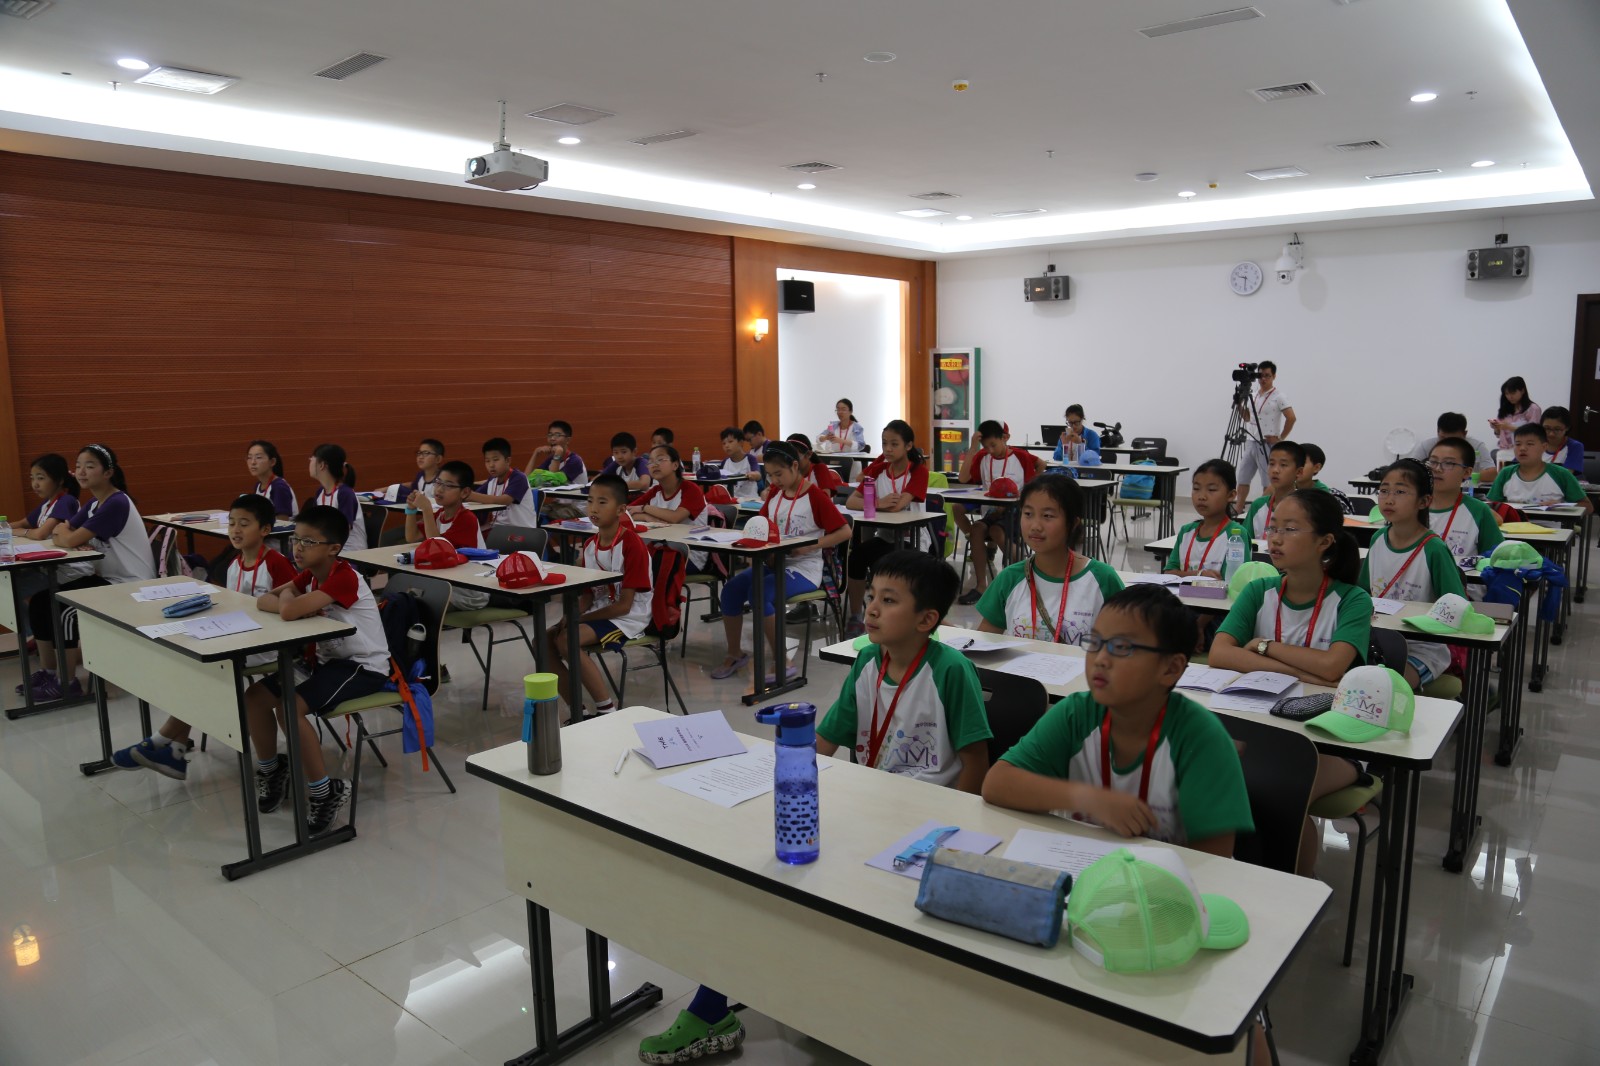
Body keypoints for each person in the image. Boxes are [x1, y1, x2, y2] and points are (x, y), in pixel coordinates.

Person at [643, 550, 991, 1066]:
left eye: (888, 600)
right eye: (871, 596)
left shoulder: (950, 671)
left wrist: (950, 835)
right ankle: (712, 1009)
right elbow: (823, 743)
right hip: (870, 815)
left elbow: (976, 763)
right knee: (761, 879)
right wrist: (767, 781)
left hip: (924, 833)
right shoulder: (869, 663)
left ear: (927, 620)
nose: (871, 608)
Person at [984, 583, 1252, 853]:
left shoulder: (1200, 737)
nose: (1100, 659)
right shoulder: (1077, 713)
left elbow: (1213, 861)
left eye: (1121, 647)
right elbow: (997, 783)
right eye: (1095, 642)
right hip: (1081, 864)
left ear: (1171, 668)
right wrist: (1089, 799)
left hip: (1164, 877)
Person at [1208, 488, 1370, 875]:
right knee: (1219, 779)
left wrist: (1266, 648)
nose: (1275, 538)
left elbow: (1333, 667)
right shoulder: (1258, 591)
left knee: (1280, 793)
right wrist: (1304, 672)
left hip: (1332, 740)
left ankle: (1295, 889)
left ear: (1324, 542)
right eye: (1273, 527)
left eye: (1290, 529)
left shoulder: (1352, 600)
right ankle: (1240, 879)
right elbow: (1220, 654)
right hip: (1262, 726)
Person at [109, 494, 298, 779]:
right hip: (241, 639)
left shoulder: (276, 563)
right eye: (232, 523)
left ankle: (161, 743)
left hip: (270, 646)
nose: (235, 530)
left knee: (207, 671)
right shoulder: (234, 564)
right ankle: (174, 749)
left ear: (265, 530)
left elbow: (291, 606)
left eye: (244, 523)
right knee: (191, 664)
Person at [246, 504, 392, 835]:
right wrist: (291, 600)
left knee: (289, 707)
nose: (298, 548)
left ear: (333, 549)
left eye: (308, 542)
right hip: (324, 662)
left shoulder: (344, 577)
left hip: (361, 666)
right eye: (296, 539)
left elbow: (286, 610)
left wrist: (291, 602)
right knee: (254, 698)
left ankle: (325, 792)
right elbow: (265, 601)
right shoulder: (311, 574)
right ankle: (272, 769)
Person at [26, 444, 156, 703]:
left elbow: (67, 537)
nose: (81, 472)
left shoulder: (117, 502)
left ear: (108, 472)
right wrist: (69, 536)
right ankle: (49, 672)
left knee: (65, 610)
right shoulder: (95, 503)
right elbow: (63, 530)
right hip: (106, 579)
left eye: (90, 466)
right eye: (78, 466)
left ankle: (67, 684)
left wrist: (71, 537)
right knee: (41, 601)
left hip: (129, 584)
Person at [710, 442, 850, 682]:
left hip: (804, 568)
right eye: (770, 475)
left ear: (795, 466)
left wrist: (810, 546)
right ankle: (735, 654)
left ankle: (782, 660)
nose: (774, 481)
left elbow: (845, 531)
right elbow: (760, 526)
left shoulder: (815, 496)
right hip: (775, 562)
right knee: (731, 590)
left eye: (779, 474)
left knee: (759, 594)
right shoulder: (776, 493)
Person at [546, 474, 653, 719]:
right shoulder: (590, 545)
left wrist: (579, 620)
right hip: (601, 611)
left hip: (628, 618)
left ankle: (607, 710)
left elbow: (624, 606)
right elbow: (588, 596)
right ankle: (578, 711)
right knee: (542, 641)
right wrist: (572, 615)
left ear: (621, 509)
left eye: (602, 502)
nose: (593, 508)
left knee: (567, 639)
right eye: (590, 501)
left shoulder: (632, 545)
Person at [975, 475, 1122, 643]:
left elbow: (1126, 646)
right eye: (1028, 514)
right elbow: (982, 643)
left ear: (1073, 523)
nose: (1035, 526)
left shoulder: (1103, 580)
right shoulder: (1009, 578)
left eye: (1048, 516)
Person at [1359, 459, 1465, 690]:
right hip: (1377, 639)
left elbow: (1457, 607)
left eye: (1400, 492)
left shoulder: (1433, 549)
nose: (1389, 499)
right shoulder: (1378, 539)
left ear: (1424, 501)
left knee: (1384, 688)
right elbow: (1363, 593)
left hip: (1422, 648)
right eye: (1384, 490)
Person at [844, 420, 929, 633]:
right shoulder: (878, 470)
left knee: (888, 563)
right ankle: (856, 615)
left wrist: (874, 504)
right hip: (885, 536)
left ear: (908, 446)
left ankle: (893, 616)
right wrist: (879, 503)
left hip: (913, 538)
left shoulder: (918, 471)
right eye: (884, 444)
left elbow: (898, 506)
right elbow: (851, 502)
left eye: (894, 444)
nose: (888, 449)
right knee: (856, 557)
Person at [953, 418, 1041, 605]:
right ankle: (981, 587)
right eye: (986, 447)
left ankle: (1024, 578)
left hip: (1016, 512)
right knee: (977, 529)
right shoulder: (982, 457)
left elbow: (1037, 475)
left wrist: (1026, 497)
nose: (990, 450)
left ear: (1004, 438)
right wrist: (973, 448)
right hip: (991, 512)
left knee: (996, 531)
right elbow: (962, 478)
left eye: (993, 445)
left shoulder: (1020, 457)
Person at [10, 454, 81, 664]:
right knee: (7, 588)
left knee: (10, 590)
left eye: (40, 478)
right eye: (32, 478)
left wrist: (20, 532)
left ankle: (35, 634)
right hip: (46, 566)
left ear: (59, 480)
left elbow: (40, 534)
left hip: (64, 571)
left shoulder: (66, 501)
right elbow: (22, 523)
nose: (35, 484)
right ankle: (35, 634)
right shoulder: (47, 504)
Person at [405, 459, 489, 609]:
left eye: (448, 485)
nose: (439, 489)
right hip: (447, 582)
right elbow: (412, 537)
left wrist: (426, 509)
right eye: (438, 482)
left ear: (465, 492)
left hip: (470, 590)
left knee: (420, 604)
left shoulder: (466, 519)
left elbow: (436, 548)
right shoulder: (440, 515)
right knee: (408, 595)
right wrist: (411, 509)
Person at [1165, 459, 1249, 581]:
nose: (1202, 496)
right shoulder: (1186, 532)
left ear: (1231, 495)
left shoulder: (1236, 535)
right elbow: (1168, 573)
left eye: (1212, 490)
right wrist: (1199, 575)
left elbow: (1235, 580)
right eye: (1196, 488)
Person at [1425, 438, 1504, 563]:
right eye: (1433, 462)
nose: (1437, 469)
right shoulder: (1411, 506)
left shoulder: (1478, 511)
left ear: (1467, 472)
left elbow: (1496, 560)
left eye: (1448, 463)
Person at [1233, 361, 1296, 510]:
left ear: (1274, 376)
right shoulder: (1253, 395)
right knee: (1243, 477)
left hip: (1267, 443)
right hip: (1251, 440)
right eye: (1261, 375)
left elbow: (1291, 418)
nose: (1263, 379)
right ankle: (1238, 508)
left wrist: (1280, 439)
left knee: (1267, 481)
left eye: (1267, 376)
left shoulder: (1279, 396)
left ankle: (1265, 510)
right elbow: (1247, 418)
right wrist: (1239, 405)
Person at [1487, 423, 1592, 513]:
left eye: (1530, 444)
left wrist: (1561, 506)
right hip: (1512, 527)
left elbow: (1588, 507)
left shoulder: (1561, 474)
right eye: (1518, 444)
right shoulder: (1506, 473)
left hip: (1551, 528)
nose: (1522, 448)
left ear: (1544, 447)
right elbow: (1491, 506)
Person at [1241, 440, 1306, 539]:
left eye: (1283, 465)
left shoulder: (1305, 507)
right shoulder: (1258, 505)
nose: (1275, 470)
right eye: (1271, 464)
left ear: (1299, 472)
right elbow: (1244, 541)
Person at [470, 437, 540, 528]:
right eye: (487, 461)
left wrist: (469, 495)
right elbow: (477, 495)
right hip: (498, 528)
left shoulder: (519, 478)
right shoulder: (492, 480)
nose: (491, 465)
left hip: (521, 531)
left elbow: (505, 500)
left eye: (495, 460)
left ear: (508, 461)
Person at [308, 443, 366, 552]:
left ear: (322, 465)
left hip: (349, 552)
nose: (310, 461)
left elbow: (342, 530)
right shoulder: (320, 492)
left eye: (312, 459)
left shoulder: (345, 493)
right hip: (329, 549)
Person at [529, 420, 588, 520]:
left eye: (557, 435)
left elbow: (553, 481)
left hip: (577, 508)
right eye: (550, 435)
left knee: (549, 516)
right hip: (558, 505)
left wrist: (557, 454)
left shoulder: (575, 461)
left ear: (568, 440)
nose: (552, 438)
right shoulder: (551, 459)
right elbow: (527, 478)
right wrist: (535, 453)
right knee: (533, 512)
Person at [1409, 412, 1496, 477]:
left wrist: (1457, 476)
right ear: (1437, 432)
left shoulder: (1477, 446)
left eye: (1454, 440)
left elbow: (1492, 473)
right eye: (1443, 438)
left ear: (1464, 434)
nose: (1448, 444)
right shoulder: (1426, 446)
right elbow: (1409, 470)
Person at [1296, 443, 1355, 514]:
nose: (1296, 467)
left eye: (1302, 463)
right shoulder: (1286, 490)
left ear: (1316, 468)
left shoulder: (1328, 497)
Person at [245, 440, 298, 519]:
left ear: (272, 462)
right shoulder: (258, 485)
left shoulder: (279, 487)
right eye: (249, 457)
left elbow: (282, 521)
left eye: (258, 457)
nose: (253, 462)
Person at [1489, 375, 1540, 452]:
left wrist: (1509, 427)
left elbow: (1534, 433)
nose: (1510, 397)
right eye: (1507, 394)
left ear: (1522, 391)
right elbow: (1499, 435)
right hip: (1504, 450)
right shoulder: (1504, 410)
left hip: (1525, 450)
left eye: (1513, 393)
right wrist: (1496, 427)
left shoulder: (1533, 409)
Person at [718, 426, 760, 502]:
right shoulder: (725, 462)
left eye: (730, 442)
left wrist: (753, 475)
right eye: (724, 443)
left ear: (741, 442)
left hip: (749, 500)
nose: (726, 446)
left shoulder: (750, 459)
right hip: (731, 500)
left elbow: (758, 475)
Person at [1541, 406, 1585, 474]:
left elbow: (1566, 475)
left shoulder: (1575, 446)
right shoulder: (1534, 443)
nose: (1551, 434)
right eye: (1547, 428)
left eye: (1557, 429)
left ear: (1567, 428)